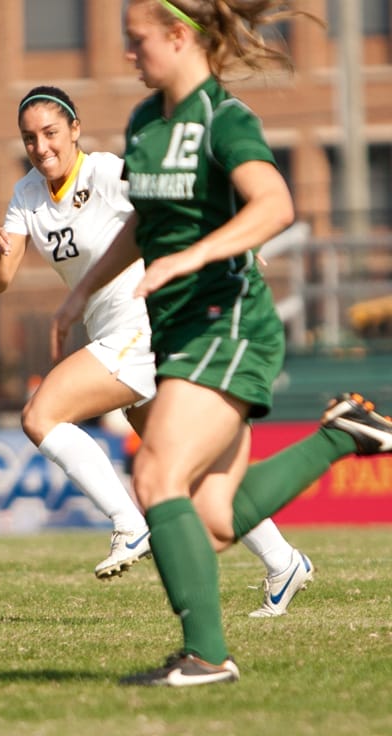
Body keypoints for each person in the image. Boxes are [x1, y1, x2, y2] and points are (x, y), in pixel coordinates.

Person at [52, 0, 392, 686]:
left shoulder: (223, 120)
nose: (128, 54)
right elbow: (144, 224)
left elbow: (275, 204)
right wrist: (85, 288)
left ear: (179, 37)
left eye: (136, 40)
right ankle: (342, 433)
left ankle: (206, 657)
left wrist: (190, 257)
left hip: (229, 319)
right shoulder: (146, 123)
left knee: (154, 477)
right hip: (179, 328)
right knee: (208, 518)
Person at [0, 84, 314, 618]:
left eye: (50, 133)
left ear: (74, 129)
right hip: (110, 329)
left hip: (144, 321)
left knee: (40, 415)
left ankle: (128, 521)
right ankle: (283, 561)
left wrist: (238, 241)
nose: (41, 147)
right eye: (29, 139)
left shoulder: (109, 171)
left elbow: (181, 200)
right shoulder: (26, 194)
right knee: (193, 467)